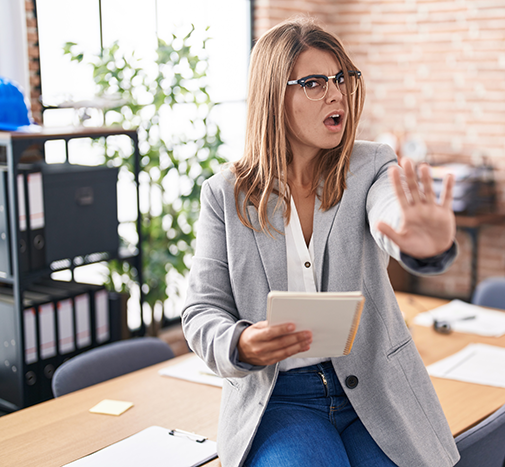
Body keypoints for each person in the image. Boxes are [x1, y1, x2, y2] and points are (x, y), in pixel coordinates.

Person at [182, 16, 460, 467]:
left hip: (376, 387)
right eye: (313, 82)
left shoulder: (372, 165)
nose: (336, 94)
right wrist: (240, 343)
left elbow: (390, 211)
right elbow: (201, 311)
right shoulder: (224, 195)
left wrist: (422, 245)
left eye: (341, 78)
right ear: (274, 96)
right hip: (279, 399)